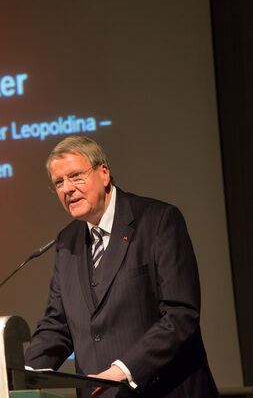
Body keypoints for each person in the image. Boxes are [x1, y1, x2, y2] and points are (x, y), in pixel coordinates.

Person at [25, 136, 218, 398]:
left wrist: (123, 370)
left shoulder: (158, 221)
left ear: (103, 173)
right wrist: (21, 375)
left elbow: (180, 314)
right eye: (58, 182)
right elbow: (58, 325)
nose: (67, 188)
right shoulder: (66, 241)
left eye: (76, 176)